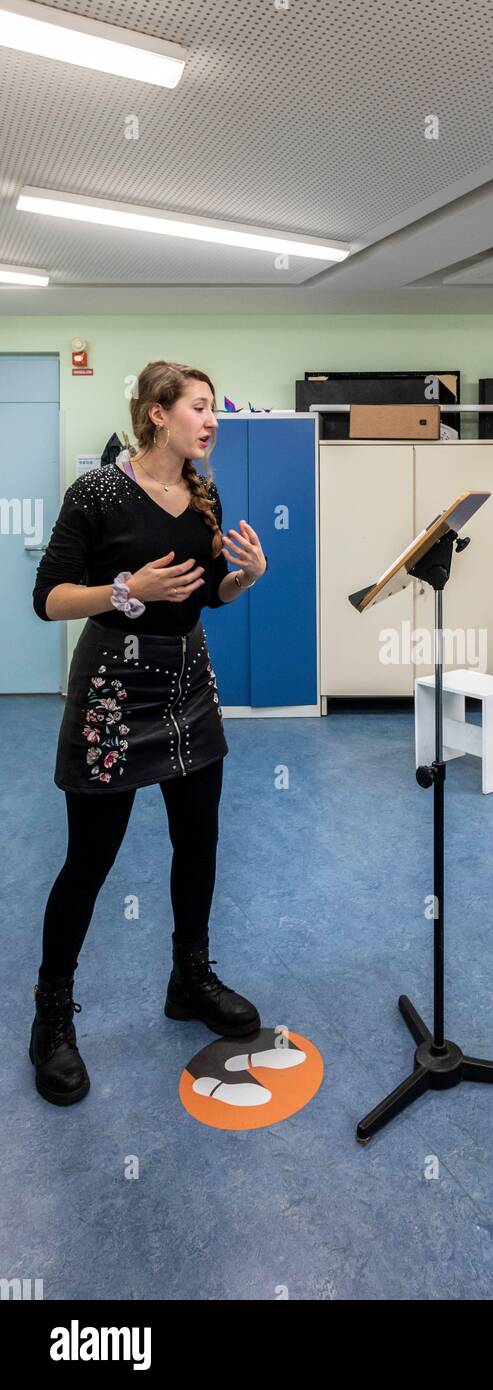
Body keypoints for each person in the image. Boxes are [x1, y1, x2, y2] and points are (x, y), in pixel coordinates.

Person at [29, 360, 268, 1106]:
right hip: (113, 692)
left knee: (199, 839)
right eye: (201, 407)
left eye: (213, 410)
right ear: (158, 413)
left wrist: (243, 579)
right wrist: (126, 591)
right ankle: (52, 1018)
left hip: (188, 685)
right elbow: (49, 598)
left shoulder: (203, 492)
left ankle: (188, 979)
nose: (212, 420)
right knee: (89, 862)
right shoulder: (99, 491)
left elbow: (207, 598)